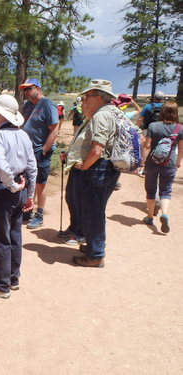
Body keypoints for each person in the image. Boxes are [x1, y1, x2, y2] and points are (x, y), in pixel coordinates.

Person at [0, 94, 37, 298]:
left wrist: (10, 185)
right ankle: (13, 277)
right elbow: (32, 167)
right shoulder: (23, 135)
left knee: (0, 237)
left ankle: (1, 285)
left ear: (0, 115)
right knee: (14, 234)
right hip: (20, 187)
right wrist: (29, 193)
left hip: (5, 189)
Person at [72, 79, 121, 268]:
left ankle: (96, 255)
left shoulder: (101, 115)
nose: (84, 99)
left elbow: (96, 149)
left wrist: (84, 166)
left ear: (98, 97)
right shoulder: (115, 112)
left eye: (87, 96)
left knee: (92, 211)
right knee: (97, 210)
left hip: (98, 168)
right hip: (110, 167)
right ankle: (96, 245)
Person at [19, 78, 59, 229]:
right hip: (27, 151)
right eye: (24, 90)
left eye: (29, 89)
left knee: (40, 183)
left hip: (41, 151)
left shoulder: (48, 105)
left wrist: (44, 150)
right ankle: (28, 210)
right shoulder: (27, 105)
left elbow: (54, 130)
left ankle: (39, 215)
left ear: (38, 88)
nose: (26, 92)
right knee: (28, 182)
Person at [141, 102, 183, 234]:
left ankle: (149, 217)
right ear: (176, 113)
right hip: (169, 163)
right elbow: (181, 149)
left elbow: (147, 146)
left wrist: (143, 161)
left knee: (151, 190)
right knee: (166, 190)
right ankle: (164, 213)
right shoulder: (180, 128)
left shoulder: (153, 126)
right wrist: (178, 161)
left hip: (152, 162)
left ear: (162, 112)